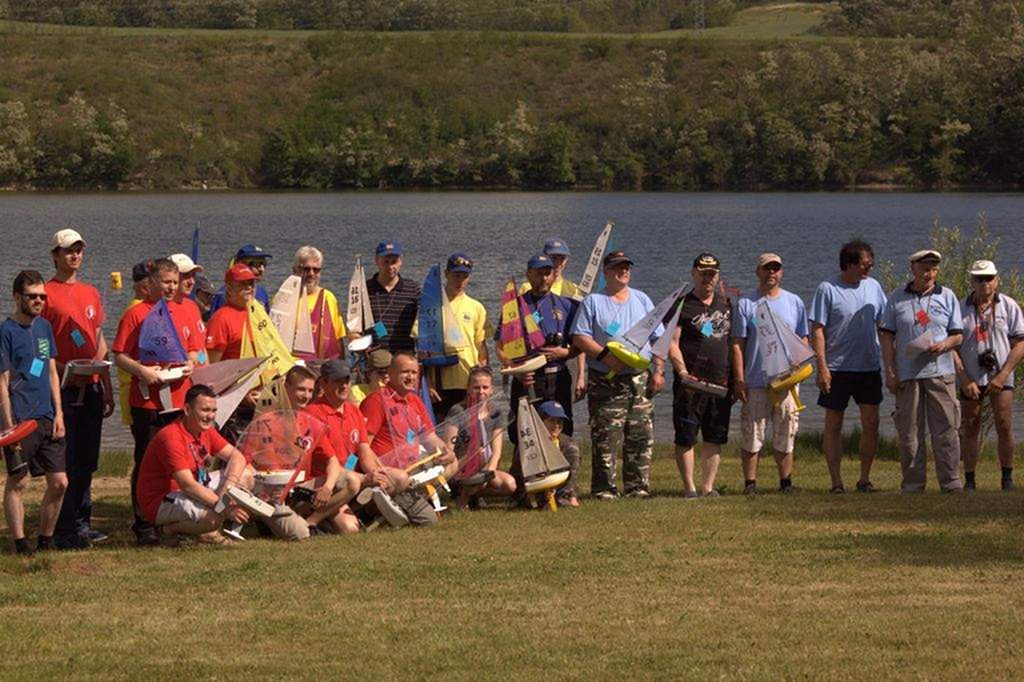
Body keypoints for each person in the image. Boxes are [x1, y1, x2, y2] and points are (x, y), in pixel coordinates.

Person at [112, 258, 204, 545]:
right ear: (151, 282)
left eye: (175, 282)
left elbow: (195, 349)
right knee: (147, 462)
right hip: (148, 401)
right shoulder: (136, 314)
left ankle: (176, 519)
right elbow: (119, 355)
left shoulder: (185, 309)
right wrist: (142, 371)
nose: (171, 287)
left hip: (180, 398)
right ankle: (144, 526)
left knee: (181, 460)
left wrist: (191, 362)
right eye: (166, 282)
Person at [571, 250, 664, 499]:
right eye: (618, 267)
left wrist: (659, 370)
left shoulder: (642, 299)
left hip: (639, 379)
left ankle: (637, 488)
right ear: (606, 272)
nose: (624, 271)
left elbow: (658, 338)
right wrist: (605, 357)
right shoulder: (593, 301)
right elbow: (580, 337)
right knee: (606, 437)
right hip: (606, 380)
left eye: (627, 267)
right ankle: (605, 489)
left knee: (641, 436)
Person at [43, 229, 114, 549]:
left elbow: (99, 340)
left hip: (93, 386)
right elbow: (41, 346)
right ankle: (64, 526)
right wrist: (63, 370)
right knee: (67, 459)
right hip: (63, 387)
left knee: (88, 459)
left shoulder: (90, 292)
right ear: (55, 255)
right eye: (68, 250)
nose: (75, 255)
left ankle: (83, 522)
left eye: (79, 250)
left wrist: (106, 384)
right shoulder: (45, 293)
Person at [880, 249, 964, 493]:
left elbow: (958, 335)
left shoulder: (947, 295)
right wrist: (890, 371)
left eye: (934, 269)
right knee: (909, 432)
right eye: (925, 268)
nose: (930, 273)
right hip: (908, 375)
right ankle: (913, 485)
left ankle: (951, 482)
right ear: (913, 268)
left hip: (941, 372)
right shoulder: (897, 297)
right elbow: (886, 336)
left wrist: (944, 345)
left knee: (946, 429)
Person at [809, 240, 888, 494]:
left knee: (871, 423)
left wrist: (892, 361)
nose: (869, 269)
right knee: (833, 425)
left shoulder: (874, 287)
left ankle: (864, 479)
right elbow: (817, 330)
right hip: (836, 368)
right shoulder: (828, 288)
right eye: (865, 265)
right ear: (849, 264)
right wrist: (822, 366)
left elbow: (884, 325)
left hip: (868, 368)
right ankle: (836, 482)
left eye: (871, 264)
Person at [251, 365, 361, 540]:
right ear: (286, 388)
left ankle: (311, 522)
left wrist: (327, 487)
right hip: (271, 494)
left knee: (352, 480)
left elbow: (332, 460)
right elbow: (247, 463)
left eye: (310, 391)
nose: (306, 396)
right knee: (301, 534)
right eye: (301, 389)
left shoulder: (309, 421)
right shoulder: (265, 421)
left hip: (300, 490)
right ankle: (267, 521)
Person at [135, 384, 252, 546]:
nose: (211, 416)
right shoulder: (171, 437)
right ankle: (167, 530)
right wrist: (224, 507)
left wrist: (228, 487)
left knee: (246, 474)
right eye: (205, 410)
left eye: (214, 410)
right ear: (187, 409)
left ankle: (204, 529)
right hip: (162, 498)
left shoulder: (205, 430)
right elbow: (187, 485)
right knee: (213, 518)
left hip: (195, 486)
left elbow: (237, 457)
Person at [1, 270, 67, 556]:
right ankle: (20, 543)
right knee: (19, 481)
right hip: (19, 420)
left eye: (42, 296)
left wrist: (59, 413)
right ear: (17, 297)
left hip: (47, 416)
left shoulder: (45, 327)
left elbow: (51, 372)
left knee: (60, 482)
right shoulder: (6, 331)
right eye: (32, 296)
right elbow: (2, 382)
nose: (39, 301)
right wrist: (8, 426)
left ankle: (46, 539)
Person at [732, 253, 810, 495]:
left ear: (781, 272)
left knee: (786, 433)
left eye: (776, 268)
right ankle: (750, 485)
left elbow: (803, 337)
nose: (771, 273)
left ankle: (786, 483)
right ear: (758, 272)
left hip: (787, 381)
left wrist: (799, 361)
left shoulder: (794, 302)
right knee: (752, 434)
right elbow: (737, 344)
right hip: (755, 380)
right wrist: (739, 379)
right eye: (767, 268)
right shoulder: (746, 303)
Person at [360, 352, 454, 525]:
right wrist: (374, 473)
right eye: (405, 372)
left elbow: (430, 437)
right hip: (391, 473)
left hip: (413, 467)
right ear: (391, 373)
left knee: (452, 462)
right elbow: (363, 444)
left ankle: (411, 499)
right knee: (429, 521)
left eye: (414, 372)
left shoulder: (415, 401)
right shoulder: (376, 400)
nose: (410, 377)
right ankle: (372, 507)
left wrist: (446, 451)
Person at [667, 253, 733, 499]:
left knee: (714, 436)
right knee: (686, 436)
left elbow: (733, 342)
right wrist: (682, 372)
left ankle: (707, 487)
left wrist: (736, 379)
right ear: (693, 274)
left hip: (720, 382)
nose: (708, 278)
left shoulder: (727, 304)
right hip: (690, 383)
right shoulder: (682, 304)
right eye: (703, 273)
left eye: (712, 274)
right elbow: (672, 343)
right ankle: (690, 488)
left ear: (718, 276)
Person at [954, 260, 1024, 491]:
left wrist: (1003, 375)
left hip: (1000, 376)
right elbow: (952, 347)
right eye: (979, 278)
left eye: (989, 278)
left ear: (997, 280)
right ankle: (970, 480)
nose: (984, 283)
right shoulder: (960, 308)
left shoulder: (1009, 306)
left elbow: (1020, 343)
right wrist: (965, 379)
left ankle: (1007, 478)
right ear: (971, 281)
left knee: (1004, 425)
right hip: (971, 377)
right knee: (970, 426)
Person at [499, 254, 583, 442]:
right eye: (539, 274)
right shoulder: (515, 306)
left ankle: (562, 460)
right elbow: (500, 346)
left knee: (562, 431)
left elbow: (580, 343)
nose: (544, 278)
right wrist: (515, 370)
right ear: (529, 275)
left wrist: (566, 352)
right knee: (523, 433)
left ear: (553, 275)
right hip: (527, 379)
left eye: (548, 273)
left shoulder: (566, 305)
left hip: (558, 377)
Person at [425, 253, 489, 420]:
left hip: (468, 381)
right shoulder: (431, 305)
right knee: (441, 429)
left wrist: (484, 381)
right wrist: (428, 384)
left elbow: (481, 346)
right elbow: (422, 350)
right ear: (446, 274)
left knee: (470, 429)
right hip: (440, 384)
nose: (460, 281)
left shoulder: (476, 307)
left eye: (464, 276)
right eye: (456, 275)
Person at [443, 367, 516, 509]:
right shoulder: (457, 411)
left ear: (491, 389)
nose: (481, 392)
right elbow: (448, 449)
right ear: (468, 389)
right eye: (476, 387)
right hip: (460, 466)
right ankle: (462, 496)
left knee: (510, 485)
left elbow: (496, 452)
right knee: (478, 452)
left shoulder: (496, 412)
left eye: (485, 387)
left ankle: (474, 493)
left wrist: (487, 474)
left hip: (484, 466)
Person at [359, 240, 420, 354]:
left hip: (405, 355)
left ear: (401, 261)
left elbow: (422, 324)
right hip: (375, 357)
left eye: (394, 262)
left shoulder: (413, 289)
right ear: (376, 260)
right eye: (386, 262)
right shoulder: (364, 289)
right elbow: (355, 325)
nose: (390, 266)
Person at [288, 246, 346, 360]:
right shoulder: (285, 299)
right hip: (293, 366)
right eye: (306, 269)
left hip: (321, 365)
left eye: (316, 269)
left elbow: (338, 338)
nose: (311, 274)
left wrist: (342, 367)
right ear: (295, 270)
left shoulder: (328, 298)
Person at [117, 261, 152, 427]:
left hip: (140, 389)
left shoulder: (142, 310)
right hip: (137, 391)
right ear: (145, 287)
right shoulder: (137, 312)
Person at [205, 263, 256, 363]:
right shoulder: (220, 319)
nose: (249, 287)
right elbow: (210, 362)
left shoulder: (256, 313)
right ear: (229, 288)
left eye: (251, 283)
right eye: (243, 283)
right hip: (236, 372)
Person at [537, 400, 582, 508]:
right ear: (540, 421)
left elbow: (572, 475)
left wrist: (572, 496)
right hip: (535, 486)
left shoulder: (568, 444)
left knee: (573, 449)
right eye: (552, 420)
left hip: (559, 484)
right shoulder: (529, 442)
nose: (556, 425)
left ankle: (566, 497)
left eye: (559, 421)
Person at [208, 244, 272, 315]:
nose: (262, 269)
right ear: (240, 264)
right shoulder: (224, 295)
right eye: (257, 263)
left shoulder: (262, 292)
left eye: (264, 263)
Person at [169, 253, 208, 365]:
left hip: (201, 374)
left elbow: (201, 349)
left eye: (193, 275)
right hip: (181, 374)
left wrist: (206, 367)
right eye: (186, 276)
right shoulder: (162, 311)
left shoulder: (192, 306)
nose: (192, 281)